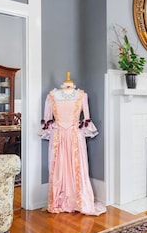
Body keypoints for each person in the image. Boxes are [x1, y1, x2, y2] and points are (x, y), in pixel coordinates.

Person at [39, 72, 105, 215]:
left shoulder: (82, 95)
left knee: (77, 167)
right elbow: (47, 118)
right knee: (58, 167)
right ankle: (58, 199)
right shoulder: (51, 96)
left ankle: (78, 199)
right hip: (59, 136)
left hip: (75, 135)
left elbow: (86, 117)